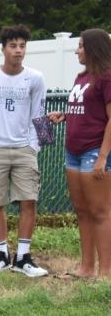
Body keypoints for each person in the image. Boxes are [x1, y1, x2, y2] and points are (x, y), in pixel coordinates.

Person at [0, 25, 49, 277]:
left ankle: (23, 258)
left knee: (29, 200)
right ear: (3, 48)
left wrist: (34, 146)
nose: (18, 51)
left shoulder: (36, 78)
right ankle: (2, 254)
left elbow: (38, 113)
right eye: (13, 46)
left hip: (24, 149)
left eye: (22, 46)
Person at [48, 28, 111, 279]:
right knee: (82, 211)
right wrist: (65, 116)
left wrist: (103, 157)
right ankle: (86, 269)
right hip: (73, 152)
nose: (77, 50)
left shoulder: (107, 77)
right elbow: (87, 109)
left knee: (100, 212)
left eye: (81, 46)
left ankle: (106, 273)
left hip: (95, 152)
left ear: (94, 48)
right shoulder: (82, 77)